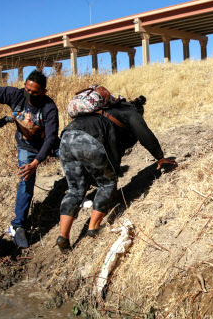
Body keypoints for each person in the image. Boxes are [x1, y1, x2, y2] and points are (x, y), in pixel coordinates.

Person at [56, 95, 176, 253]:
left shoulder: (106, 112)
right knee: (107, 184)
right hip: (87, 139)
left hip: (66, 137)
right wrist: (160, 157)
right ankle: (93, 228)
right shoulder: (131, 112)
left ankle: (63, 236)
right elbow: (145, 134)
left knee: (75, 189)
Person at [0, 70, 59, 248]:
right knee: (26, 182)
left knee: (70, 156)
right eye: (27, 89)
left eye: (35, 92)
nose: (29, 94)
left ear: (44, 91)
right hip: (26, 146)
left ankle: (79, 192)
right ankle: (18, 225)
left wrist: (36, 163)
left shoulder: (49, 107)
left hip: (46, 144)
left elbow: (51, 138)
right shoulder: (15, 94)